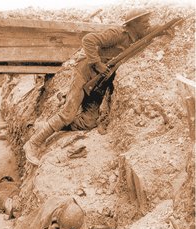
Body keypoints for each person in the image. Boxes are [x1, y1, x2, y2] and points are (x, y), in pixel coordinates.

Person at [23, 9, 155, 166]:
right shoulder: (117, 34)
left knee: (89, 122)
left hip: (99, 83)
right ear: (132, 25)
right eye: (144, 22)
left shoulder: (136, 37)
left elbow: (152, 32)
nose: (148, 24)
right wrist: (97, 63)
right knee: (68, 114)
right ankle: (33, 143)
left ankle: (49, 127)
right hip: (85, 74)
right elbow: (88, 40)